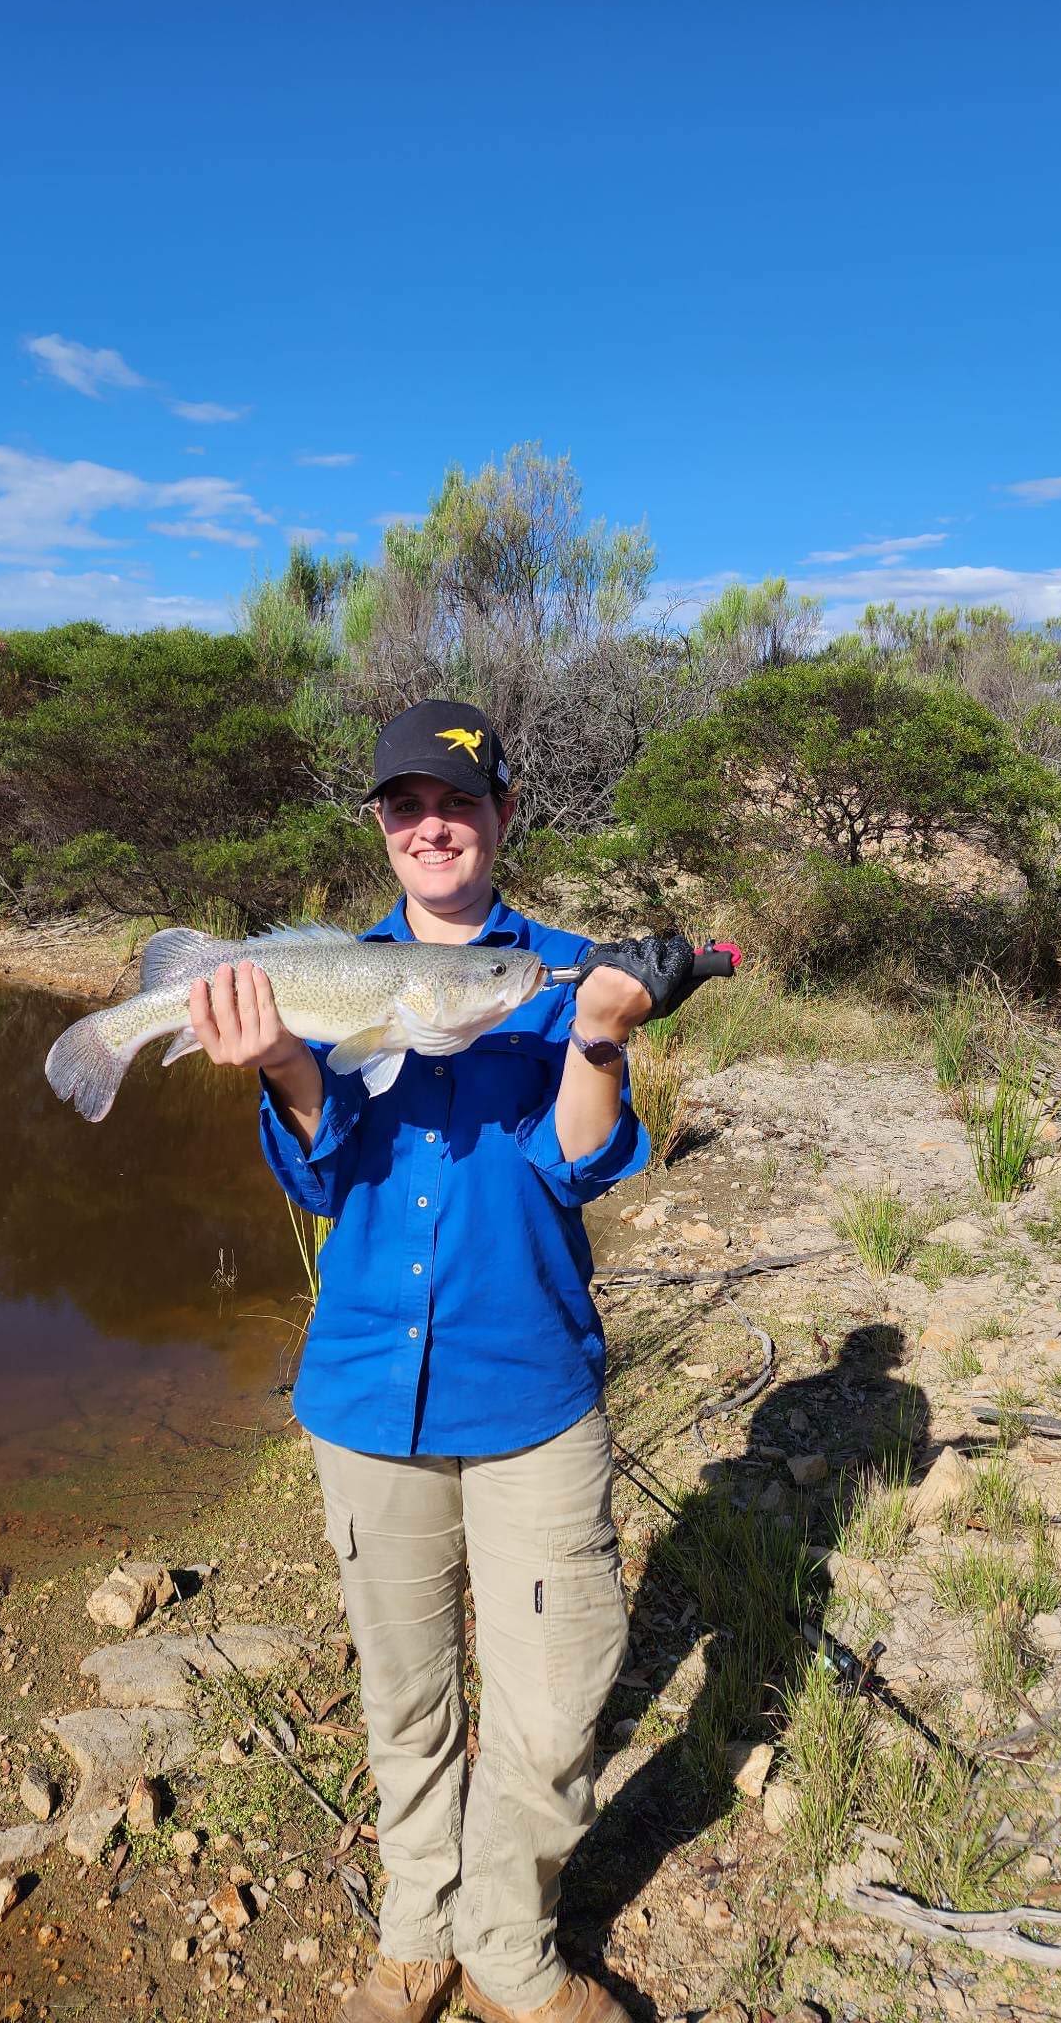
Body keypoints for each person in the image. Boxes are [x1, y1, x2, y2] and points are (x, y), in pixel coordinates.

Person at [186, 699, 693, 2023]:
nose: (433, 825)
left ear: (504, 816)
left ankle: (511, 1944)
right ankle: (415, 1922)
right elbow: (323, 1173)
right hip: (364, 1394)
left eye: (459, 801)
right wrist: (292, 1065)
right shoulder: (325, 973)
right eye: (407, 806)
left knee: (550, 1711)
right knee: (407, 1701)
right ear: (382, 830)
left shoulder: (567, 973)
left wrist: (597, 1042)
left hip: (531, 1393)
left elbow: (577, 1162)